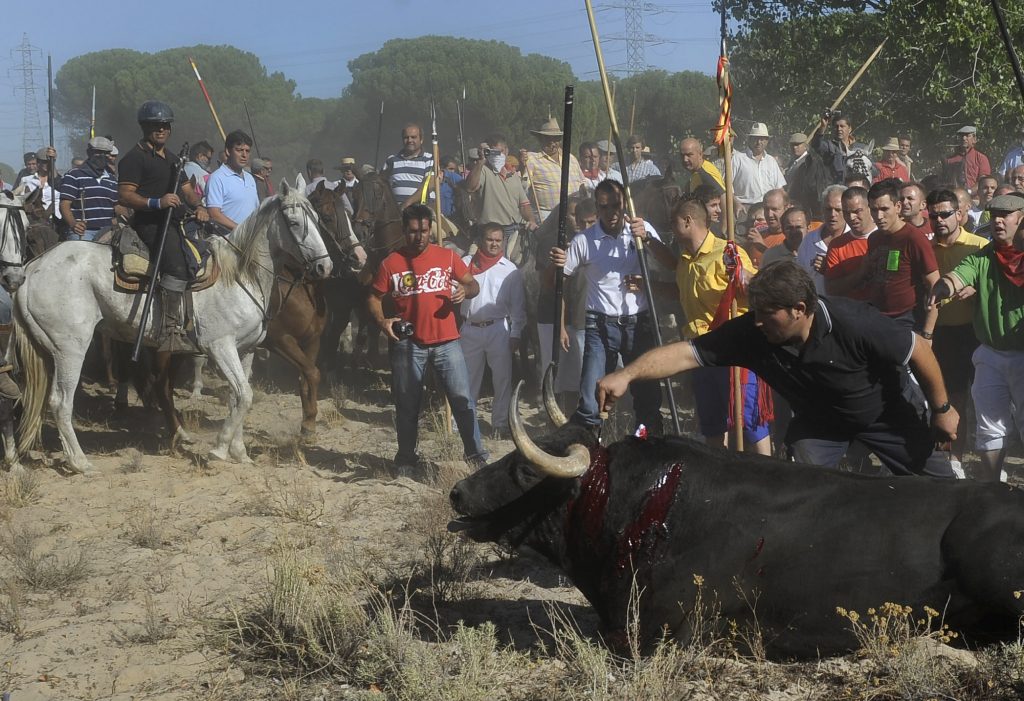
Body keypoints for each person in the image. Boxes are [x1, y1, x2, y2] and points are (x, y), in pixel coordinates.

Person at [599, 261, 958, 477]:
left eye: (766, 313)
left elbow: (919, 351)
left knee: (940, 490)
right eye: (754, 311)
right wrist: (626, 374)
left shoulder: (855, 323)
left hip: (886, 415)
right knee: (804, 491)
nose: (756, 322)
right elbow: (686, 353)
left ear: (798, 309)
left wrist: (942, 410)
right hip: (820, 425)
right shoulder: (753, 331)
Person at [368, 203, 487, 477]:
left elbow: (473, 284)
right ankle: (406, 460)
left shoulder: (447, 257)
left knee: (463, 400)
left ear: (431, 229)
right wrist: (382, 321)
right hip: (408, 344)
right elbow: (373, 297)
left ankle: (476, 456)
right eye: (412, 232)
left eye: (423, 231)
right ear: (403, 230)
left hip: (447, 341)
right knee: (407, 404)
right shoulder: (391, 263)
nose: (419, 237)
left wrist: (464, 291)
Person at [549, 179, 671, 434]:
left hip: (640, 322)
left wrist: (647, 239)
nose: (612, 213)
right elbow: (557, 283)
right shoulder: (585, 240)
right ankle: (589, 452)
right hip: (600, 324)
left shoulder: (640, 228)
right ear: (597, 208)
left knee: (647, 397)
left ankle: (645, 449)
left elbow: (671, 264)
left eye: (616, 205)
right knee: (592, 397)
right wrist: (557, 265)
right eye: (605, 207)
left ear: (624, 203)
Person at [930, 193, 1024, 482]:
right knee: (988, 426)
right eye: (994, 214)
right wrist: (944, 286)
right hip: (990, 354)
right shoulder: (983, 256)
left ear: (1021, 219)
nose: (998, 220)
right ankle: (993, 489)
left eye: (1006, 215)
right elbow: (958, 275)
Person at [671, 196, 771, 453]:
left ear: (688, 221)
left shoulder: (729, 252)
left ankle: (768, 476)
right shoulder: (684, 259)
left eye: (674, 223)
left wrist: (741, 275)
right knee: (712, 424)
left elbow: (759, 291)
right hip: (699, 352)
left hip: (732, 350)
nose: (671, 229)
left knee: (749, 422)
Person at [117, 100, 204, 352]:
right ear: (145, 127)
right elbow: (125, 195)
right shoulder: (134, 158)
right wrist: (157, 202)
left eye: (165, 125)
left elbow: (188, 192)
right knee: (176, 265)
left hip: (177, 223)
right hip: (150, 224)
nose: (161, 130)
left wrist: (200, 207)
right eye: (156, 125)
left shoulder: (175, 160)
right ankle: (170, 331)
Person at [926, 189, 987, 474]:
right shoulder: (926, 248)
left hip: (977, 333)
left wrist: (977, 286)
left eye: (945, 214)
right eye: (933, 215)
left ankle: (990, 462)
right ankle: (953, 460)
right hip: (942, 334)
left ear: (959, 214)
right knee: (951, 399)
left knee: (987, 400)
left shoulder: (980, 246)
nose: (939, 220)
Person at [459, 223, 526, 438]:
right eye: (490, 239)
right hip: (470, 329)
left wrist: (515, 333)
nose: (494, 244)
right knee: (468, 379)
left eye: (498, 240)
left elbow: (518, 306)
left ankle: (499, 424)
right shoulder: (464, 264)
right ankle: (463, 423)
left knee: (502, 379)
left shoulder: (510, 270)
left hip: (498, 328)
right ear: (481, 240)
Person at [856, 179, 940, 332]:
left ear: (897, 207)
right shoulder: (874, 239)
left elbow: (935, 285)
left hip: (907, 320)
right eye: (874, 210)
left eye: (884, 209)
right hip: (877, 316)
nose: (879, 216)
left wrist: (928, 333)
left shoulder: (914, 238)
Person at [465, 134, 535, 246]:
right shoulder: (482, 171)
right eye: (494, 152)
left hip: (514, 230)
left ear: (507, 151)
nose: (498, 155)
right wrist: (481, 160)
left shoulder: (513, 174)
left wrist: (531, 220)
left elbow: (524, 204)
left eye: (501, 151)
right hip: (489, 232)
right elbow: (470, 187)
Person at [520, 117, 584, 224]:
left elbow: (582, 182)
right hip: (547, 216)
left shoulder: (570, 158)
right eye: (548, 139)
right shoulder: (531, 159)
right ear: (540, 139)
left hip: (574, 215)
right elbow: (523, 187)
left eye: (556, 139)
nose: (552, 143)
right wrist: (522, 166)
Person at [58, 136, 120, 241]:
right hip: (84, 231)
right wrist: (74, 224)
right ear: (89, 152)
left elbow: (117, 206)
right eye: (98, 152)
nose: (102, 156)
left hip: (108, 231)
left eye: (106, 153)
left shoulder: (112, 180)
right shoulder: (74, 175)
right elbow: (64, 205)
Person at [823, 186, 875, 301]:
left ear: (870, 208)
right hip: (852, 312)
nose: (852, 217)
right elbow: (831, 289)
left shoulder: (886, 237)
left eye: (857, 211)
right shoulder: (837, 245)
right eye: (846, 212)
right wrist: (860, 273)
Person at [205, 130, 260, 232]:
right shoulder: (217, 178)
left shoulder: (250, 178)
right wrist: (240, 230)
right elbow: (214, 213)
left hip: (250, 241)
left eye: (247, 151)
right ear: (228, 151)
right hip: (227, 241)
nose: (244, 155)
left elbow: (256, 210)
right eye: (239, 150)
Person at [797, 185, 847, 294]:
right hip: (817, 306)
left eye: (838, 210)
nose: (832, 215)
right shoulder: (808, 241)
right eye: (828, 209)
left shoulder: (855, 239)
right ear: (822, 210)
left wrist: (830, 270)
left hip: (847, 306)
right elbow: (800, 278)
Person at [731, 122, 786, 219]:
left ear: (767, 141)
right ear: (750, 139)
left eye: (762, 139)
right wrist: (736, 203)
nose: (758, 142)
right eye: (755, 138)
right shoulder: (738, 159)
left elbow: (779, 188)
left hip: (768, 209)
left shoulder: (771, 161)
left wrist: (787, 204)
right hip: (744, 208)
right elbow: (726, 186)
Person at [383, 123, 434, 209]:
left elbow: (430, 185)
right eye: (406, 137)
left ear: (421, 140)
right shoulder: (391, 160)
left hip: (423, 211)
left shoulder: (430, 159)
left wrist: (407, 203)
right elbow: (382, 185)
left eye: (413, 137)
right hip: (396, 213)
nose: (409, 140)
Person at [941, 125, 991, 194]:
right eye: (961, 136)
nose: (964, 138)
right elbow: (945, 181)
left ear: (974, 139)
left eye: (967, 136)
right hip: (954, 198)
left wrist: (969, 192)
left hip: (976, 198)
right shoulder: (949, 160)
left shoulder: (981, 158)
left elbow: (983, 181)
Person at [746, 189, 788, 268]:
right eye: (766, 209)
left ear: (786, 209)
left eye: (775, 209)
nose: (769, 214)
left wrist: (762, 248)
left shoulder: (792, 237)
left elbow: (788, 268)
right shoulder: (757, 236)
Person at [813, 110, 857, 184]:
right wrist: (823, 126)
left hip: (854, 190)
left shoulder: (859, 148)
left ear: (849, 129)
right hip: (835, 190)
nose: (839, 129)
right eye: (836, 126)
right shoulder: (829, 146)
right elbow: (816, 145)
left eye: (842, 126)